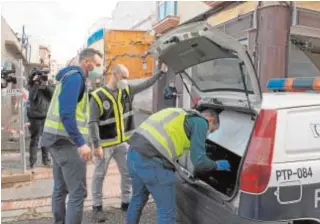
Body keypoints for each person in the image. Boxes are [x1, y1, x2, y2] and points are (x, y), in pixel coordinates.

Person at [126, 107, 231, 224]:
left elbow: (174, 138)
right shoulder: (201, 122)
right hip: (152, 162)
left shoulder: (181, 114)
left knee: (137, 200)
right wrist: (216, 165)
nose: (208, 134)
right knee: (166, 213)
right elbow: (199, 162)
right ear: (210, 119)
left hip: (133, 154)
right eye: (211, 131)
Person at [89, 64, 166, 222]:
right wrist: (96, 145)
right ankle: (97, 207)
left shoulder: (126, 91)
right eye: (124, 77)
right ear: (115, 74)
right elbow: (92, 122)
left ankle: (125, 202)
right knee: (99, 175)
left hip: (123, 143)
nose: (126, 80)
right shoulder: (98, 96)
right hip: (105, 144)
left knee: (127, 173)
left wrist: (160, 73)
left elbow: (146, 84)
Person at [40, 48, 103, 224]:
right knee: (78, 192)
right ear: (87, 63)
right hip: (66, 142)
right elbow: (67, 113)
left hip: (55, 140)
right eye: (97, 65)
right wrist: (81, 142)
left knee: (60, 188)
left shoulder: (68, 77)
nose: (98, 68)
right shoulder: (76, 78)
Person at [27, 68, 54, 171]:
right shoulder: (31, 86)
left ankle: (46, 160)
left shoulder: (48, 85)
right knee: (35, 139)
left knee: (46, 139)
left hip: (46, 116)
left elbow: (52, 94)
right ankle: (32, 162)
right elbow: (31, 97)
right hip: (35, 118)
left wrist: (45, 85)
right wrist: (36, 84)